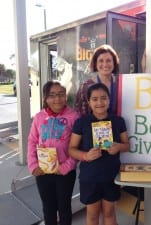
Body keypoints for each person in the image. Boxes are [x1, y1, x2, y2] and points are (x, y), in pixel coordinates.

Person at [69, 83, 130, 225]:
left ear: (109, 100)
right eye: (95, 99)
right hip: (90, 177)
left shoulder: (118, 121)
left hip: (111, 176)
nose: (99, 102)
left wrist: (118, 147)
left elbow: (127, 146)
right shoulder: (81, 122)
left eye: (103, 98)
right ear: (89, 102)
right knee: (92, 215)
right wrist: (85, 156)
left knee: (109, 213)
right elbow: (71, 149)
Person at [27, 81, 79, 225]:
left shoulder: (74, 117)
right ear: (46, 98)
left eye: (61, 94)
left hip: (65, 173)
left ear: (66, 96)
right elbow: (32, 141)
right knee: (48, 209)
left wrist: (66, 167)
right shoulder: (39, 117)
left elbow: (78, 146)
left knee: (64, 209)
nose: (57, 99)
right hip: (43, 171)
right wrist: (33, 165)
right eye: (52, 95)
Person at [75, 44, 120, 116]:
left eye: (108, 61)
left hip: (119, 126)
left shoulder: (120, 84)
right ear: (95, 64)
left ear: (114, 63)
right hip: (92, 126)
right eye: (101, 61)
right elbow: (80, 114)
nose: (105, 64)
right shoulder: (85, 87)